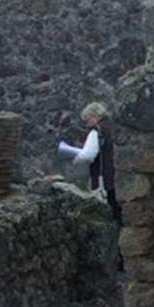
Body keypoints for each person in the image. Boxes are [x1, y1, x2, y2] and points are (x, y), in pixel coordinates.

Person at [59, 101, 124, 269]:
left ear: (94, 117)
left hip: (104, 180)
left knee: (108, 219)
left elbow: (88, 155)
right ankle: (123, 257)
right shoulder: (114, 126)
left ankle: (115, 260)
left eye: (87, 120)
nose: (86, 124)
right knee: (120, 217)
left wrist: (71, 155)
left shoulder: (97, 131)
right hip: (119, 178)